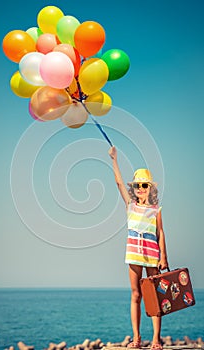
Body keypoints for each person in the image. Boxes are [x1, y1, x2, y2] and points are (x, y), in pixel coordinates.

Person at [108, 146, 168, 350]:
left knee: (154, 297)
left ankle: (156, 340)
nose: (141, 188)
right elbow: (118, 182)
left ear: (151, 188)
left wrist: (164, 257)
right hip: (134, 255)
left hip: (152, 256)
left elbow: (160, 233)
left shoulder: (156, 210)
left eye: (144, 185)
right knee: (136, 295)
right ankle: (136, 338)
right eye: (137, 185)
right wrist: (114, 159)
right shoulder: (130, 206)